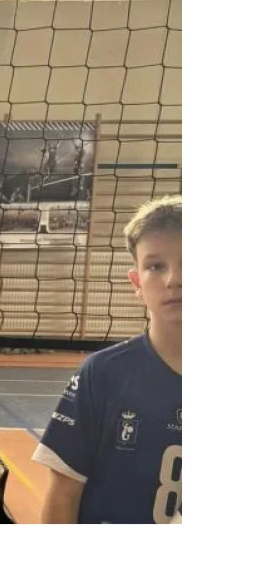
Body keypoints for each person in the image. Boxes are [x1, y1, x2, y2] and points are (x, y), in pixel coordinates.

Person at [33, 195, 182, 524]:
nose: (173, 279)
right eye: (155, 266)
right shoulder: (102, 374)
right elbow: (62, 496)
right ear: (136, 283)